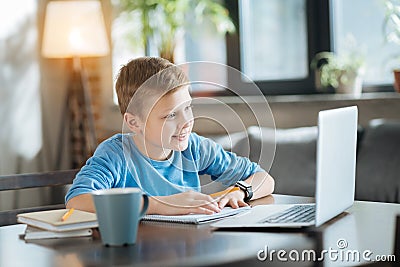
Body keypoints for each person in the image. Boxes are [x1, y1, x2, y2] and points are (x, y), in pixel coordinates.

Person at [66, 57, 274, 215]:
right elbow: (76, 200)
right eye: (171, 115)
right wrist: (158, 204)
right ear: (134, 123)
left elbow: (265, 178)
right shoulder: (116, 155)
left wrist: (239, 191)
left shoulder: (195, 148)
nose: (186, 123)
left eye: (188, 108)